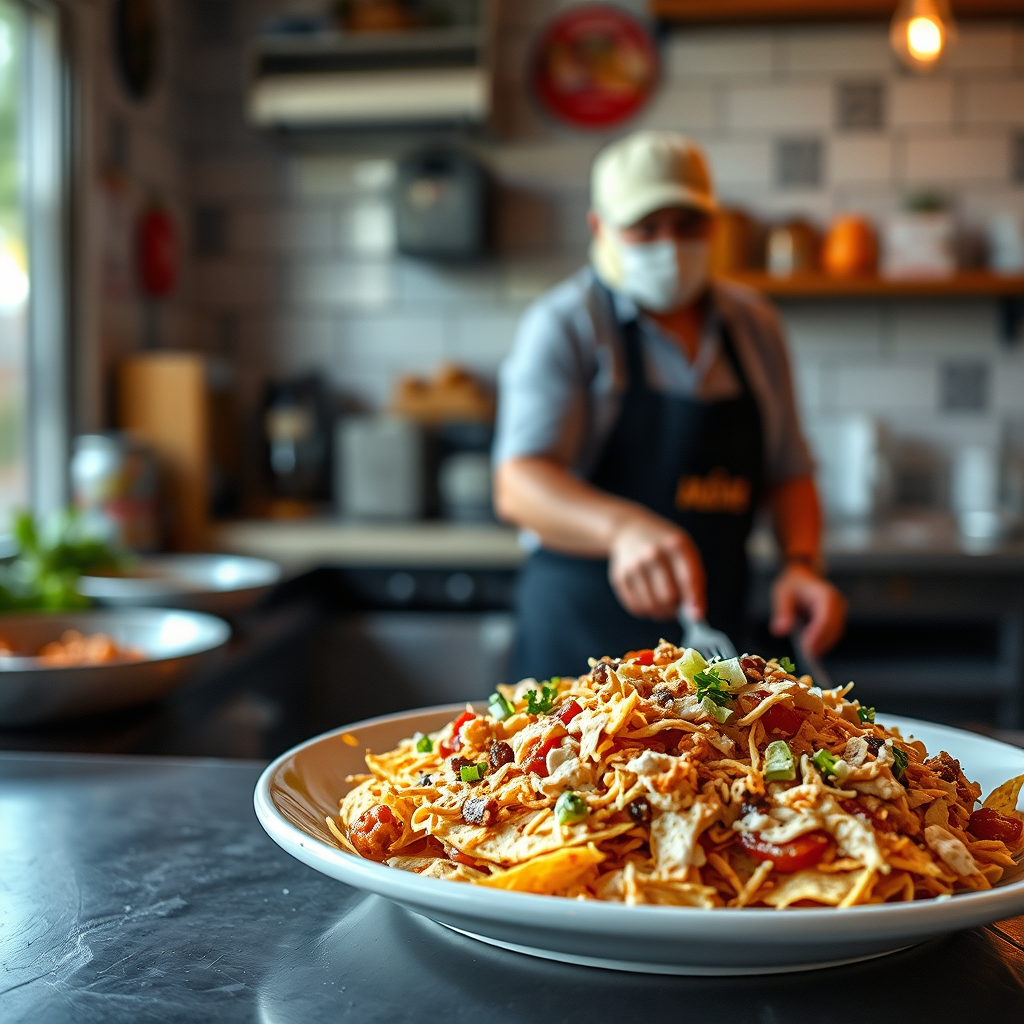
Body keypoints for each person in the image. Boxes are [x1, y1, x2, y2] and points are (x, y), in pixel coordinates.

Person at [493, 131, 847, 681]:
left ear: (713, 223)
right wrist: (622, 529)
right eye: (646, 229)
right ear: (599, 227)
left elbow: (788, 472)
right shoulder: (566, 324)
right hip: (579, 646)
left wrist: (801, 563)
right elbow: (518, 484)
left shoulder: (754, 325)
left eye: (687, 227)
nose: (669, 246)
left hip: (712, 647)